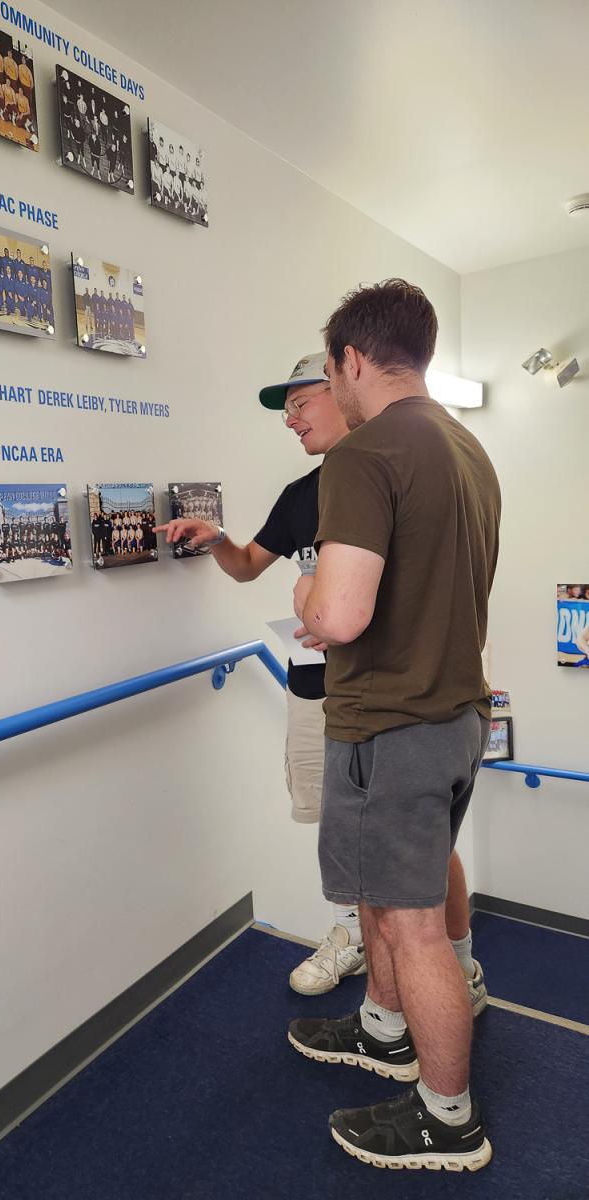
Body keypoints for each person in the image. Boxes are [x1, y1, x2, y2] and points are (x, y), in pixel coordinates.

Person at [154, 352, 487, 1012]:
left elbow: (339, 611)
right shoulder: (307, 492)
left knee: (416, 864)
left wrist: (314, 599)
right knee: (355, 843)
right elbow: (249, 565)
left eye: (301, 403)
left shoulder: (393, 467)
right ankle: (376, 963)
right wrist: (218, 539)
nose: (290, 419)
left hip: (393, 704)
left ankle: (443, 974)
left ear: (344, 385)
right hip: (324, 690)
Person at [287, 280, 500, 1172]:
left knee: (412, 925)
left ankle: (447, 1120)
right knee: (386, 898)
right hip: (454, 715)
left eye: (329, 374)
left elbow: (334, 615)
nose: (326, 395)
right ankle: (381, 1028)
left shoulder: (364, 455)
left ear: (353, 362)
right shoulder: (467, 446)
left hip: (392, 727)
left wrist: (304, 589)